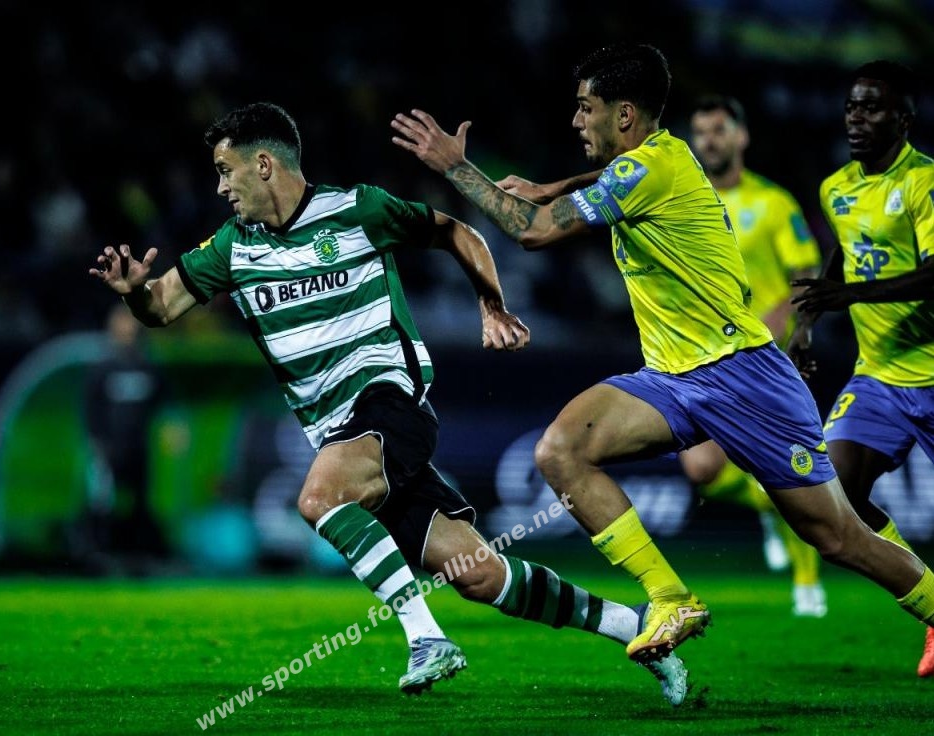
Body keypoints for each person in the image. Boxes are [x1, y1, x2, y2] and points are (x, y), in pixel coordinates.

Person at [90, 101, 691, 705]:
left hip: (389, 402)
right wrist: (135, 293)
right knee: (482, 576)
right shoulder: (231, 248)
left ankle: (426, 638)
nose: (221, 187)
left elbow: (456, 231)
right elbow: (161, 307)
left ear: (264, 164)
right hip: (338, 434)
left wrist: (491, 305)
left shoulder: (357, 210)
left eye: (226, 171)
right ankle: (634, 625)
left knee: (320, 498)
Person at [390, 43, 934, 671]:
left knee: (838, 537)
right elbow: (608, 182)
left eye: (585, 107)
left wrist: (457, 168)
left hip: (743, 375)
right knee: (561, 450)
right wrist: (552, 185)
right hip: (673, 377)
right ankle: (670, 598)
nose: (575, 121)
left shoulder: (654, 168)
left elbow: (533, 231)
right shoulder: (656, 160)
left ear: (623, 115)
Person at [788, 60, 934, 676]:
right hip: (879, 377)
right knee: (833, 497)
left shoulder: (924, 182)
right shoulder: (836, 188)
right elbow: (843, 254)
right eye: (851, 106)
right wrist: (805, 324)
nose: (856, 118)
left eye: (872, 107)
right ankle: (931, 601)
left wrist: (847, 297)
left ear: (903, 119)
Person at [680, 94, 827, 617]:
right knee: (701, 468)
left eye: (719, 129)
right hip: (704, 357)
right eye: (700, 132)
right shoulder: (683, 204)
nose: (709, 140)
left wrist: (778, 325)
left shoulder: (773, 203)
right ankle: (769, 506)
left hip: (766, 358)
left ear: (741, 136)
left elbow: (806, 276)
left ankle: (808, 585)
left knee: (791, 466)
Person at [81, 301, 171, 569]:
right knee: (103, 502)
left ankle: (135, 555)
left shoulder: (147, 367)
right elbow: (91, 409)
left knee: (139, 502)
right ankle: (98, 554)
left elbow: (164, 405)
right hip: (108, 451)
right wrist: (97, 443)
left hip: (139, 449)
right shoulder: (103, 369)